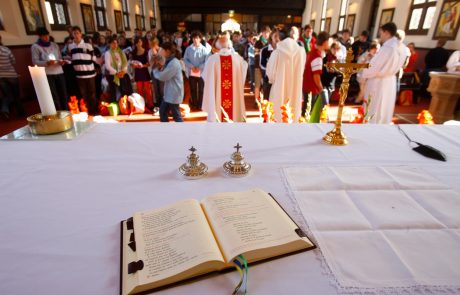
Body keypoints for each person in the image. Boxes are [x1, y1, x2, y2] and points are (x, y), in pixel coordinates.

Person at [361, 22, 407, 124]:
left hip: (379, 82)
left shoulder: (388, 47)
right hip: (390, 81)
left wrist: (364, 71)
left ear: (386, 32)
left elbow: (374, 67)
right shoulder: (402, 47)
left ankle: (370, 129)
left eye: (380, 33)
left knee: (375, 108)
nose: (380, 35)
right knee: (385, 108)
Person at [202, 32, 248, 122]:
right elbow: (244, 70)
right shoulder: (238, 59)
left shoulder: (212, 59)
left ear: (217, 46)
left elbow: (205, 76)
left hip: (217, 96)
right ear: (229, 45)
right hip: (233, 95)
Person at [266, 29, 306, 123]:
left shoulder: (277, 53)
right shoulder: (301, 52)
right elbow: (302, 70)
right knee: (293, 115)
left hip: (279, 89)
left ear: (280, 38)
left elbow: (270, 74)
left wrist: (272, 80)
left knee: (277, 115)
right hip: (295, 88)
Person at [31, 27, 68, 110]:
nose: (47, 38)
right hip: (48, 74)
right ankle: (58, 112)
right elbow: (35, 62)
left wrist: (61, 61)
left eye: (47, 35)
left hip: (59, 71)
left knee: (63, 93)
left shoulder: (54, 45)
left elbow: (59, 57)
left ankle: (66, 111)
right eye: (44, 36)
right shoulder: (35, 47)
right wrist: (46, 63)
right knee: (53, 95)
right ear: (39, 37)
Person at [68, 26, 98, 115]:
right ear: (72, 35)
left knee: (92, 93)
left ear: (81, 34)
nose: (76, 35)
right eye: (74, 33)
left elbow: (94, 58)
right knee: (83, 94)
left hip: (90, 74)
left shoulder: (88, 46)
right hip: (79, 75)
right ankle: (87, 111)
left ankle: (94, 111)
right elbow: (70, 59)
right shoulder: (70, 47)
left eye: (78, 33)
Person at [152, 42, 184, 122]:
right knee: (163, 112)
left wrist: (155, 70)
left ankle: (183, 131)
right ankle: (166, 131)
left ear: (167, 51)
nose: (160, 51)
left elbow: (163, 76)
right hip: (170, 94)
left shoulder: (174, 63)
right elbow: (165, 73)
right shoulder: (170, 61)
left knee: (176, 116)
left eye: (162, 49)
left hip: (173, 94)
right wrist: (159, 66)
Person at [302, 32, 330, 117]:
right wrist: (321, 88)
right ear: (325, 42)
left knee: (306, 111)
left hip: (307, 86)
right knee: (310, 113)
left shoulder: (311, 52)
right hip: (312, 89)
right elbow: (316, 76)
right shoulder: (317, 56)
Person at [0, 34, 25, 119]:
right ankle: (21, 113)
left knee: (7, 95)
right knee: (16, 95)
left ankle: (5, 109)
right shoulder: (6, 49)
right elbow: (13, 60)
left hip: (1, 77)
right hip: (11, 74)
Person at [183, 31, 209, 111]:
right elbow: (185, 59)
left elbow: (207, 60)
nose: (195, 40)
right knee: (193, 89)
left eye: (197, 38)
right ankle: (194, 104)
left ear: (200, 39)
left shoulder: (204, 49)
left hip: (201, 72)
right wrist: (192, 66)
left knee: (201, 89)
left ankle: (200, 104)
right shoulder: (188, 49)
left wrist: (199, 67)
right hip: (192, 72)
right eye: (193, 38)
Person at [104, 37, 132, 102]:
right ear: (110, 44)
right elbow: (108, 66)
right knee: (113, 91)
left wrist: (123, 71)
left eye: (116, 43)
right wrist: (116, 73)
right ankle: (115, 105)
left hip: (121, 74)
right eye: (113, 43)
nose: (115, 45)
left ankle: (124, 105)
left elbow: (125, 63)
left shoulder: (121, 52)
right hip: (112, 75)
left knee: (124, 90)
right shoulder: (107, 53)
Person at [132, 37, 154, 111]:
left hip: (144, 72)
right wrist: (134, 65)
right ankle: (141, 105)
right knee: (140, 91)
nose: (140, 43)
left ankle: (150, 105)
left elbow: (148, 64)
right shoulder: (133, 52)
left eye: (140, 41)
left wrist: (142, 65)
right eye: (138, 42)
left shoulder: (146, 52)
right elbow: (132, 63)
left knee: (148, 90)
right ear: (136, 44)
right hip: (138, 73)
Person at [260, 29, 280, 101]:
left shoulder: (282, 50)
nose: (277, 38)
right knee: (267, 99)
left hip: (279, 79)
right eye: (275, 36)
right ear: (271, 37)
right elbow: (262, 64)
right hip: (268, 79)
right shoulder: (265, 50)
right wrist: (271, 71)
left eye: (278, 36)